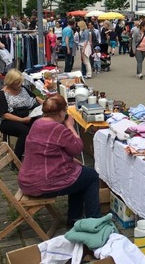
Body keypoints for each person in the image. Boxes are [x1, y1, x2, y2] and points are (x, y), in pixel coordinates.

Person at [18, 94, 101, 227]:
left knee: (80, 174)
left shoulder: (37, 123)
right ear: (61, 113)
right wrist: (70, 126)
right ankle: (95, 221)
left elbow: (48, 150)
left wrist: (71, 160)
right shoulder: (58, 129)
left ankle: (74, 219)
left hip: (27, 180)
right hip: (42, 184)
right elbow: (77, 148)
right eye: (65, 111)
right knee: (91, 176)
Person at [0, 68, 44, 161]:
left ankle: (37, 154)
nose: (19, 85)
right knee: (25, 131)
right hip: (9, 120)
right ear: (10, 82)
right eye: (16, 83)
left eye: (20, 83)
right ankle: (17, 159)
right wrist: (21, 120)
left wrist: (42, 101)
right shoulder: (3, 94)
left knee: (40, 125)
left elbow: (34, 96)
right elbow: (5, 114)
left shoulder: (22, 88)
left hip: (25, 116)